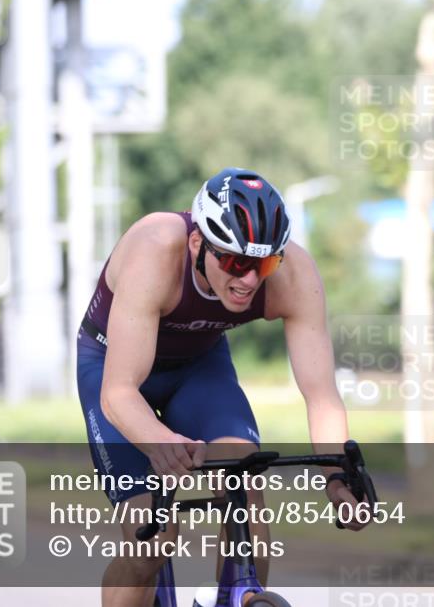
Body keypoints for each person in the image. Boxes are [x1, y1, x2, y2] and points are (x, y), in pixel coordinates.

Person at [75, 168, 365, 607]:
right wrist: (160, 442)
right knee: (151, 539)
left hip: (198, 367)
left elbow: (322, 395)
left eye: (263, 264)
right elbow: (118, 394)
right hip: (113, 366)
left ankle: (238, 592)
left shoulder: (294, 274)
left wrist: (338, 478)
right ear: (198, 245)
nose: (250, 279)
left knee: (243, 481)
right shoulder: (155, 247)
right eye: (234, 261)